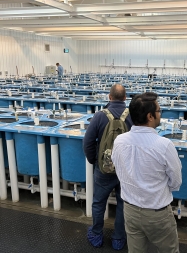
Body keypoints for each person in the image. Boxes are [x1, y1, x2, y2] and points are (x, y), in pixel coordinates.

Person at [112, 92, 182, 253]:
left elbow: (119, 169)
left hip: (130, 210)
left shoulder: (120, 141)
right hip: (157, 214)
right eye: (159, 111)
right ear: (150, 116)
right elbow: (176, 181)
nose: (160, 114)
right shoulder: (164, 145)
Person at [83, 84, 132, 250]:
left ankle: (96, 235)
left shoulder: (99, 116)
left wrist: (94, 161)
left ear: (109, 97)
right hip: (126, 170)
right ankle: (118, 239)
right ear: (125, 98)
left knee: (98, 202)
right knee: (123, 203)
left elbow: (88, 142)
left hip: (104, 168)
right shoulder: (133, 116)